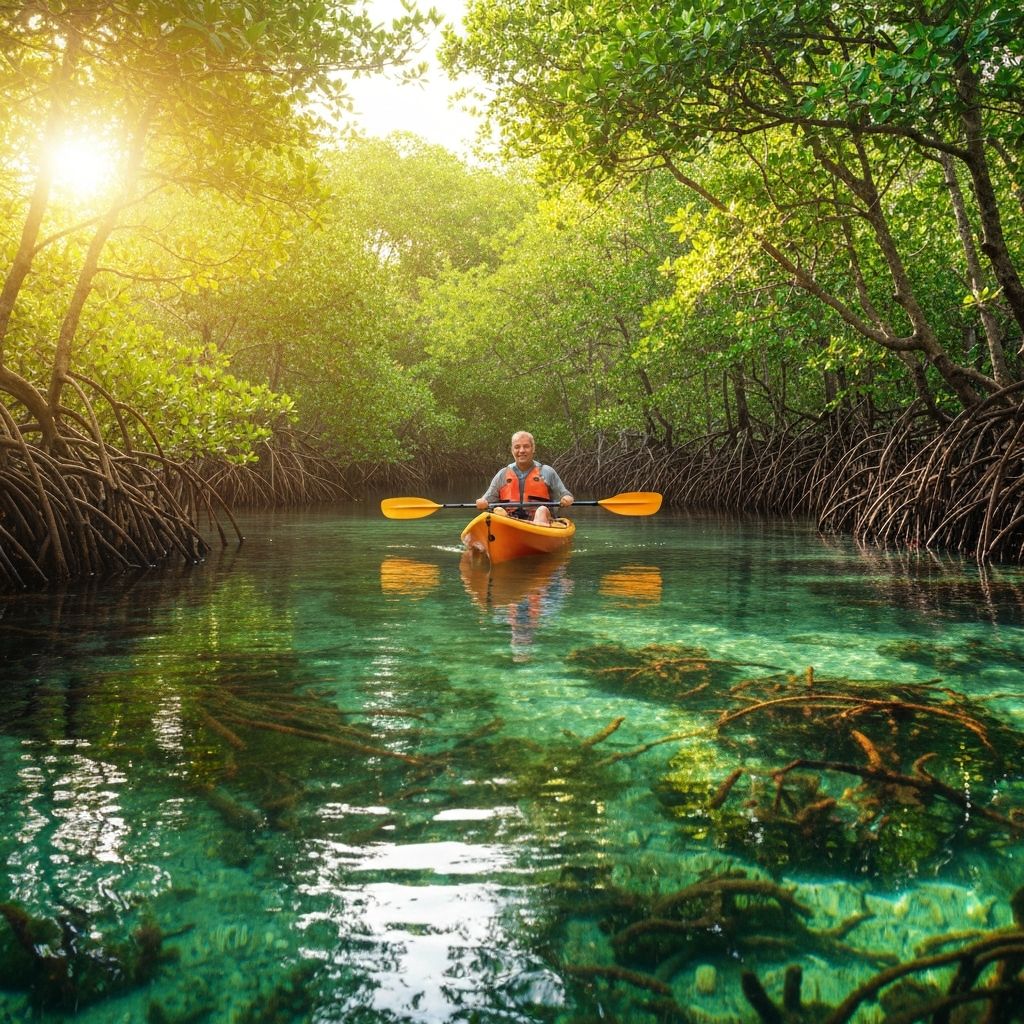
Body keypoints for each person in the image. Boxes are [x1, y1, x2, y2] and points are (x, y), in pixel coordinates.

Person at [475, 431, 574, 525]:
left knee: (541, 510)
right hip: (510, 521)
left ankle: (536, 535)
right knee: (498, 511)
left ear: (533, 448)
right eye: (517, 447)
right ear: (512, 450)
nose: (521, 451)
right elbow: (487, 499)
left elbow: (565, 494)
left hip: (541, 521)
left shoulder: (547, 472)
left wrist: (567, 499)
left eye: (526, 446)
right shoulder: (503, 474)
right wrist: (482, 502)